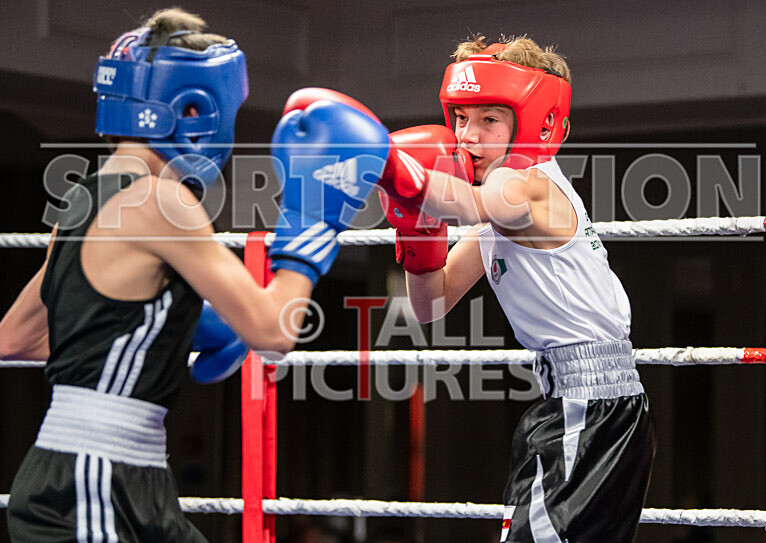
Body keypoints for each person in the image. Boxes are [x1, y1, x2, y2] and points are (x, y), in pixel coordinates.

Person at [0, 8, 388, 542]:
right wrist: (314, 221)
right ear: (195, 108)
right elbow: (274, 332)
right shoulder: (165, 201)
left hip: (108, 478)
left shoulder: (81, 200)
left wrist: (164, 326)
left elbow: (19, 337)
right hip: (93, 483)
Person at [378, 36, 656, 542]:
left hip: (592, 409)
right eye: (461, 118)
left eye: (490, 119)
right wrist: (417, 235)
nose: (468, 135)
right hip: (571, 405)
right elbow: (430, 304)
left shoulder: (526, 186)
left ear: (533, 124)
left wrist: (380, 163)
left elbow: (465, 205)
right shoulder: (494, 206)